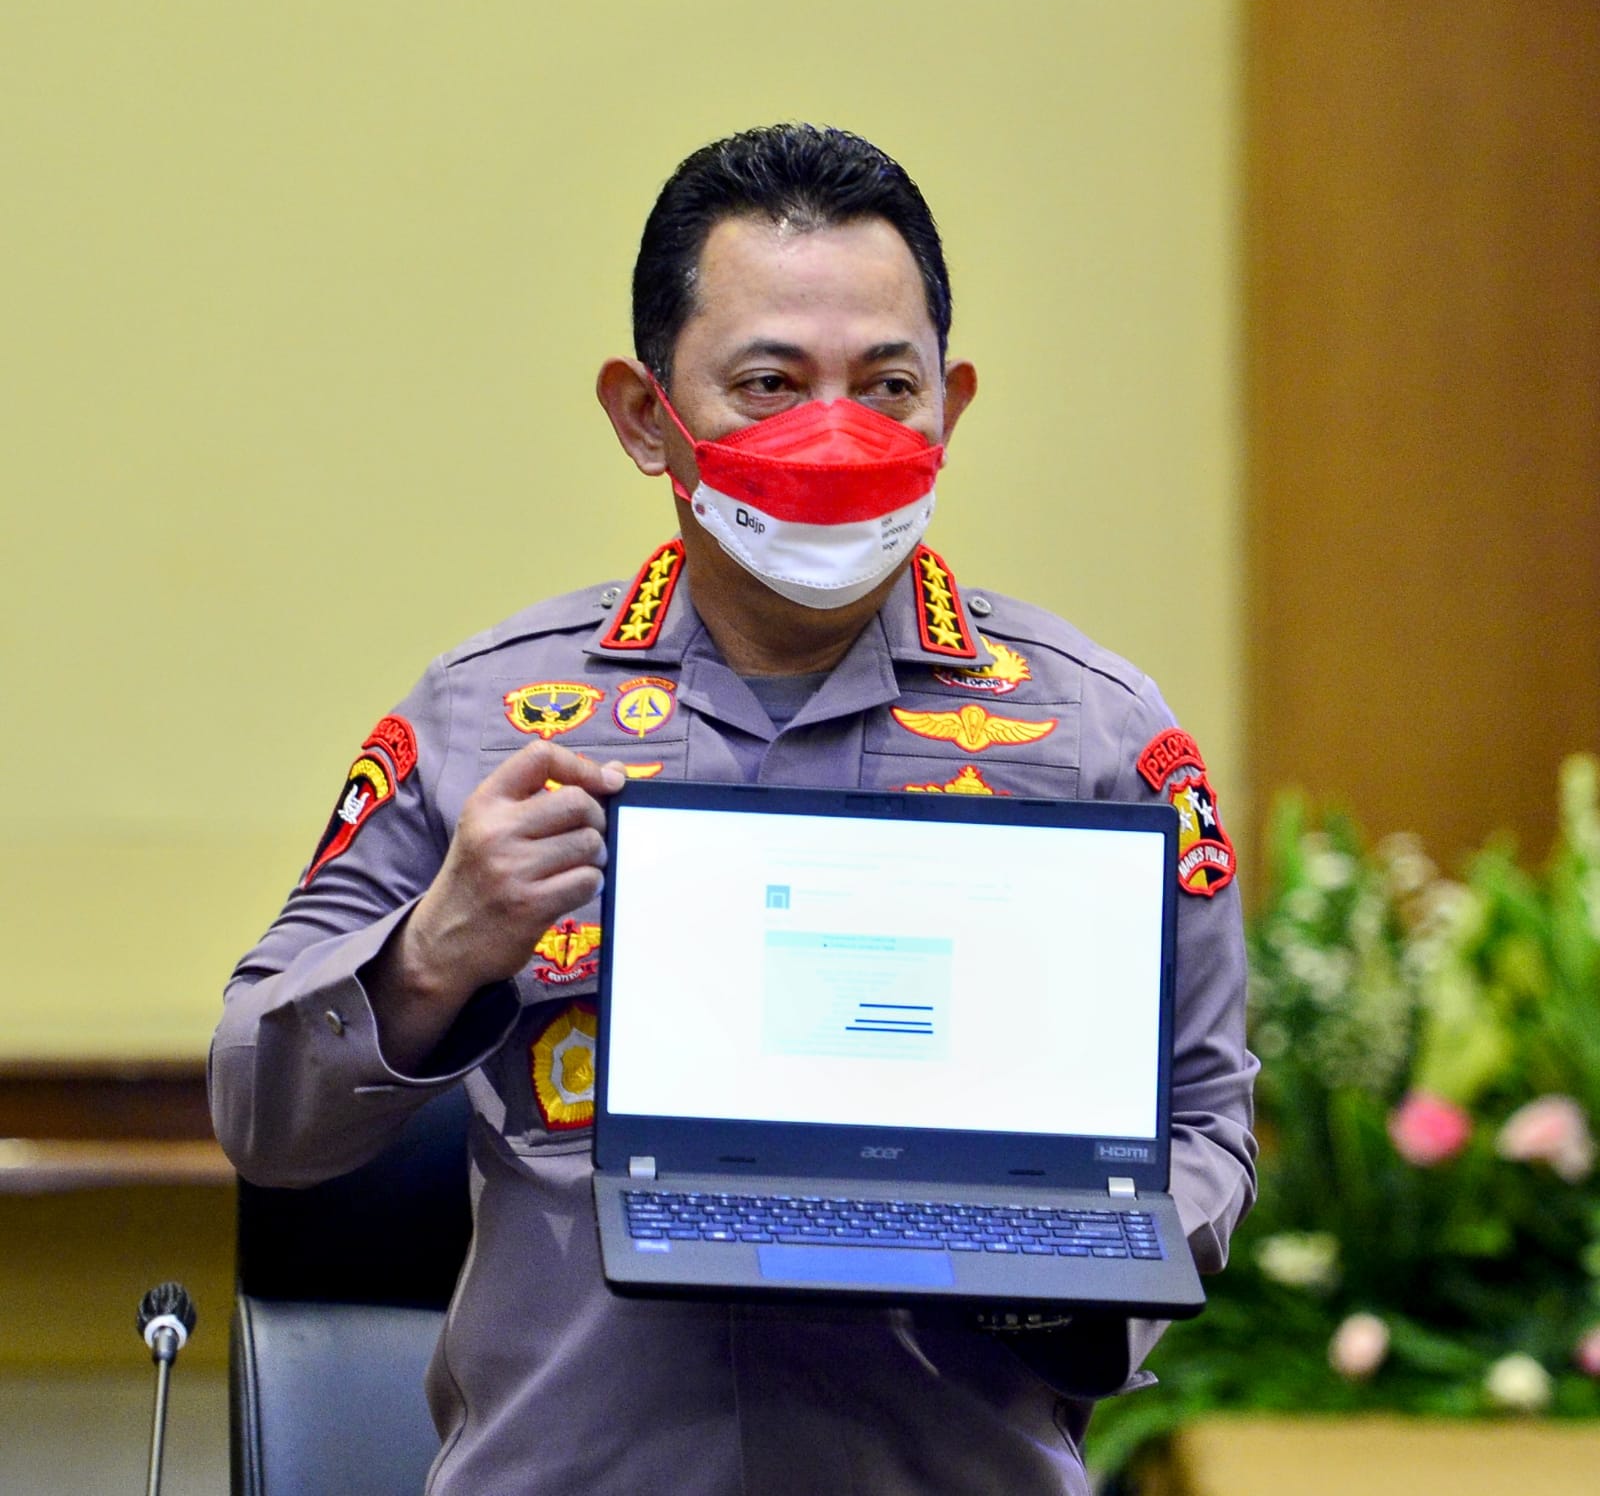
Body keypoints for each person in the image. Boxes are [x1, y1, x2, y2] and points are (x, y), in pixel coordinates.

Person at [211, 124, 1256, 1495]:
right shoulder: (490, 718)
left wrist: (1071, 1269)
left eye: (888, 385)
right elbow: (260, 1111)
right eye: (770, 384)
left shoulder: (1099, 737)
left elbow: (1206, 1122)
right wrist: (431, 953)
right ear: (646, 416)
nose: (837, 432)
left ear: (953, 406)